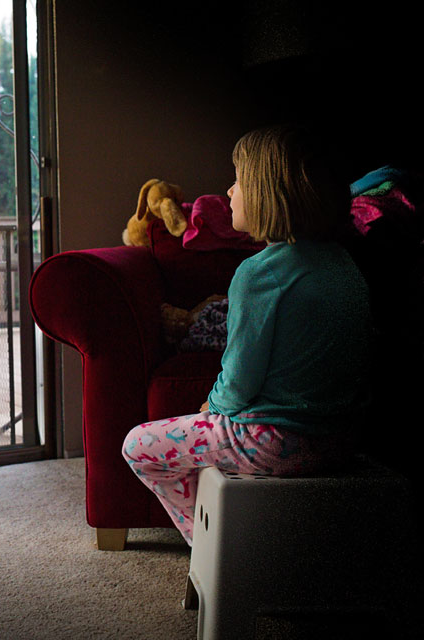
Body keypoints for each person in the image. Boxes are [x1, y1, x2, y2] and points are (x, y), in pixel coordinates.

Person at [121, 124, 371, 546]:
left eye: (238, 181)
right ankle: (235, 535)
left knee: (137, 445)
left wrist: (211, 407)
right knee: (201, 447)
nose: (229, 190)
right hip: (342, 438)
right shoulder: (343, 264)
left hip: (275, 441)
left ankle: (216, 548)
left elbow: (238, 381)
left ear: (268, 194)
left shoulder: (258, 274)